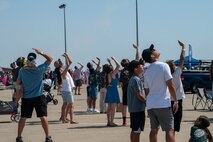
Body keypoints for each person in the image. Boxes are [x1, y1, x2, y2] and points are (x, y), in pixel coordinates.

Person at [142, 44, 179, 142]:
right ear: (152, 56)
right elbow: (171, 85)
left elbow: (146, 90)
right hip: (162, 103)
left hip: (151, 104)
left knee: (154, 130)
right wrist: (175, 100)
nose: (155, 50)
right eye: (153, 50)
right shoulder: (164, 66)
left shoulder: (147, 70)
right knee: (169, 130)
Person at [15, 48, 53, 142]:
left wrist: (17, 95)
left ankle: (19, 137)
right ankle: (47, 137)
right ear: (35, 59)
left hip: (26, 98)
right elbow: (50, 59)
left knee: (23, 117)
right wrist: (41, 53)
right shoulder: (39, 69)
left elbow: (18, 82)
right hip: (39, 96)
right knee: (43, 117)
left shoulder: (22, 71)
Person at [166, 40, 186, 135]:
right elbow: (182, 59)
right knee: (176, 122)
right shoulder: (177, 72)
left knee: (170, 123)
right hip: (178, 99)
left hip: (168, 100)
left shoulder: (166, 76)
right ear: (173, 67)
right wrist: (183, 47)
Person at [54, 53, 77, 124]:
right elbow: (68, 65)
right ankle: (71, 120)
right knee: (71, 105)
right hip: (67, 91)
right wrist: (66, 56)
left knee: (64, 105)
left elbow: (57, 83)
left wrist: (59, 86)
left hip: (64, 91)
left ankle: (63, 119)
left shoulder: (59, 75)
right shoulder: (63, 74)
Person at [127, 60, 146, 142]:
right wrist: (147, 101)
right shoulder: (135, 79)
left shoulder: (134, 78)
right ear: (135, 69)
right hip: (138, 109)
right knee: (137, 131)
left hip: (134, 109)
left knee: (134, 130)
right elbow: (139, 95)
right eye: (140, 65)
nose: (142, 66)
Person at [104, 57, 120, 127]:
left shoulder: (107, 74)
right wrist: (114, 59)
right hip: (113, 91)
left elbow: (112, 68)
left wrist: (110, 62)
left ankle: (108, 121)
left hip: (109, 91)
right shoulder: (113, 74)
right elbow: (118, 65)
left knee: (109, 107)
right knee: (113, 108)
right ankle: (112, 122)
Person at [119, 58, 130, 126]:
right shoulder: (131, 69)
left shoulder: (122, 71)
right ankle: (126, 120)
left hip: (125, 89)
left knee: (125, 105)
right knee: (130, 105)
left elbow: (120, 82)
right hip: (130, 89)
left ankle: (124, 121)